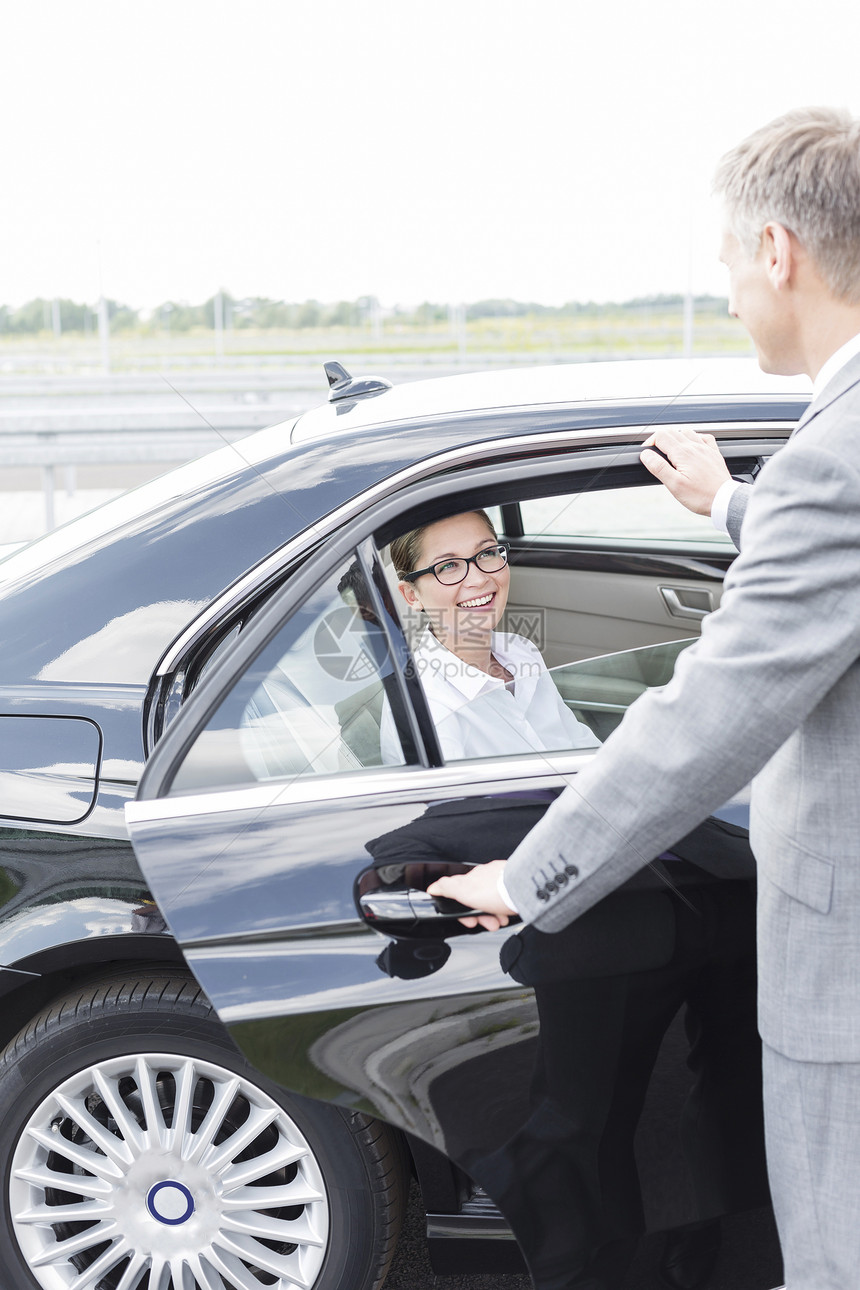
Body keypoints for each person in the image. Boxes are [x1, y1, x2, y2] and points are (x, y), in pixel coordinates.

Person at [428, 106, 860, 1290]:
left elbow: (714, 708)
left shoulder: (836, 449)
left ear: (776, 251)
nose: (725, 292)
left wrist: (526, 877)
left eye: (726, 259)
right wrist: (730, 507)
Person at [389, 508, 768, 1290]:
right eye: (448, 568)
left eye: (488, 554)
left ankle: (709, 1242)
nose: (479, 579)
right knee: (580, 1126)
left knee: (732, 1057)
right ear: (408, 593)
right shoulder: (423, 705)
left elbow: (586, 777)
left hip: (617, 886)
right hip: (557, 920)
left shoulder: (519, 656)